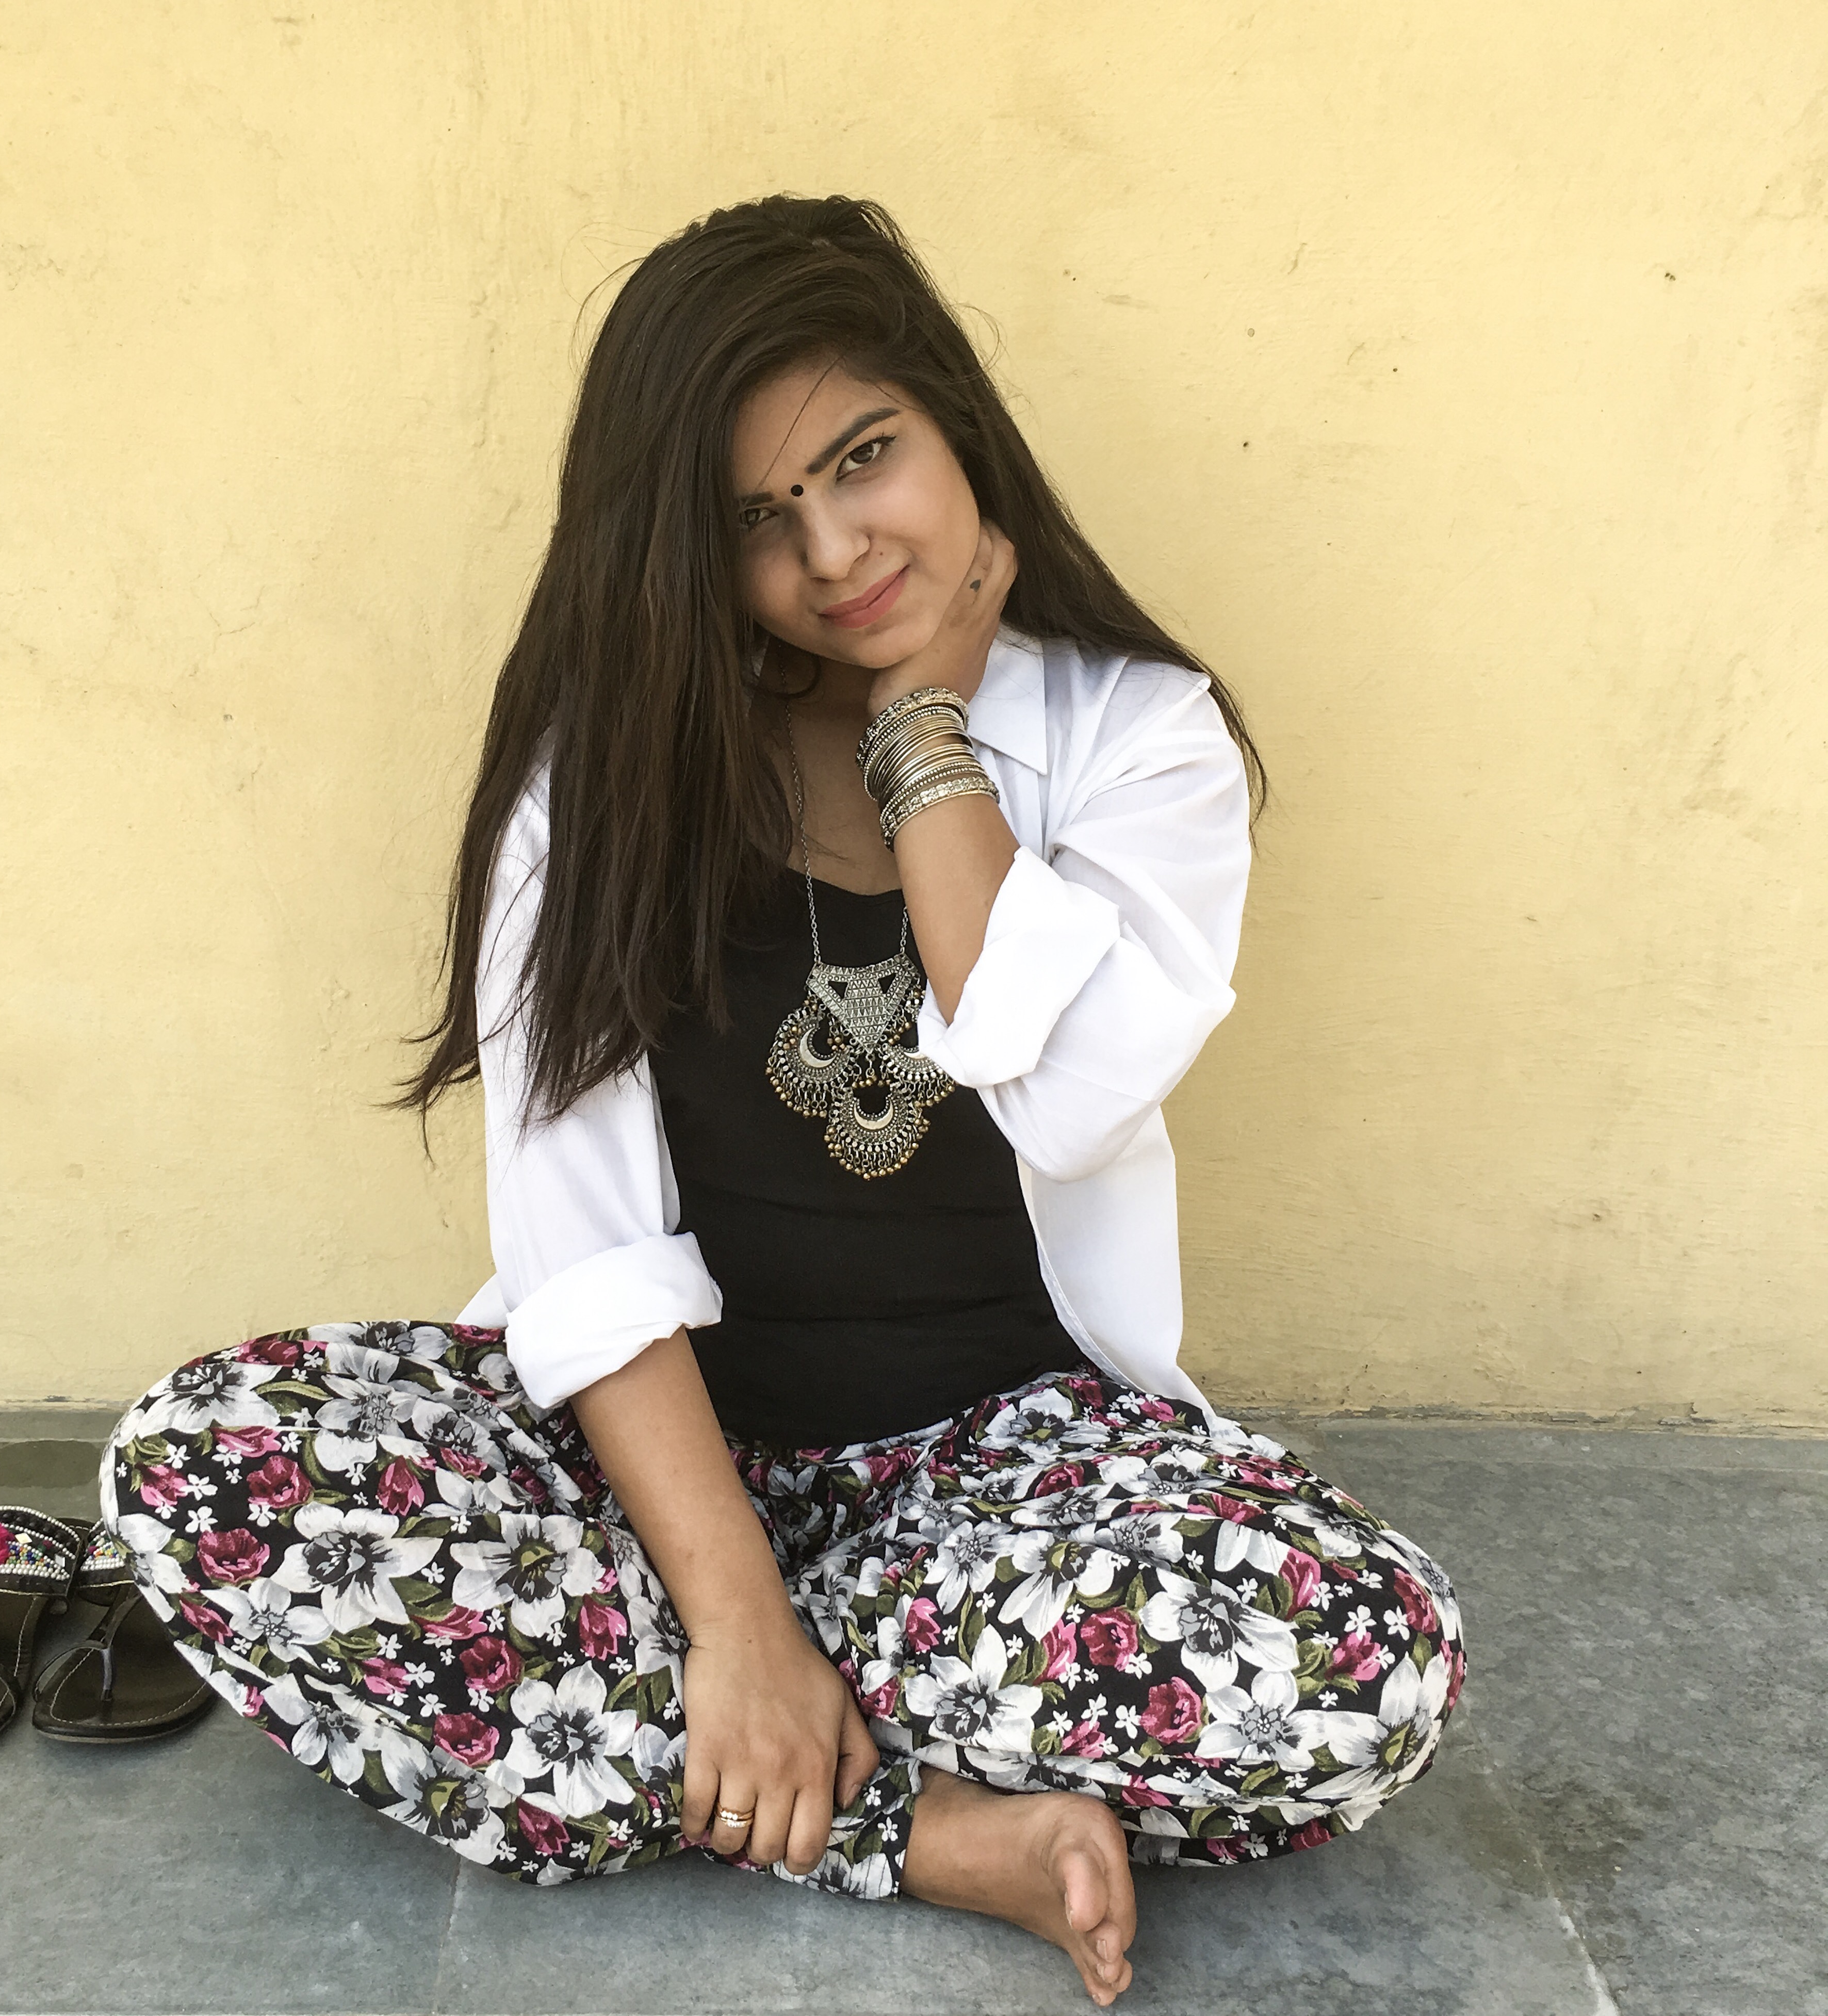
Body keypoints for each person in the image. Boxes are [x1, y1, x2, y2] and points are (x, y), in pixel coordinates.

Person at [100, 194, 1464, 2008]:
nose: (836, 550)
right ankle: (918, 1824)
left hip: (1006, 1469)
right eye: (762, 519)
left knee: (1367, 1652)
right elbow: (582, 1242)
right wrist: (734, 1612)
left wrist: (923, 733)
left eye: (865, 458)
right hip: (656, 1470)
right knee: (199, 1461)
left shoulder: (1139, 736)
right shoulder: (609, 780)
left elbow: (1061, 1094)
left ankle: (657, 1724)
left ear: (953, 420)